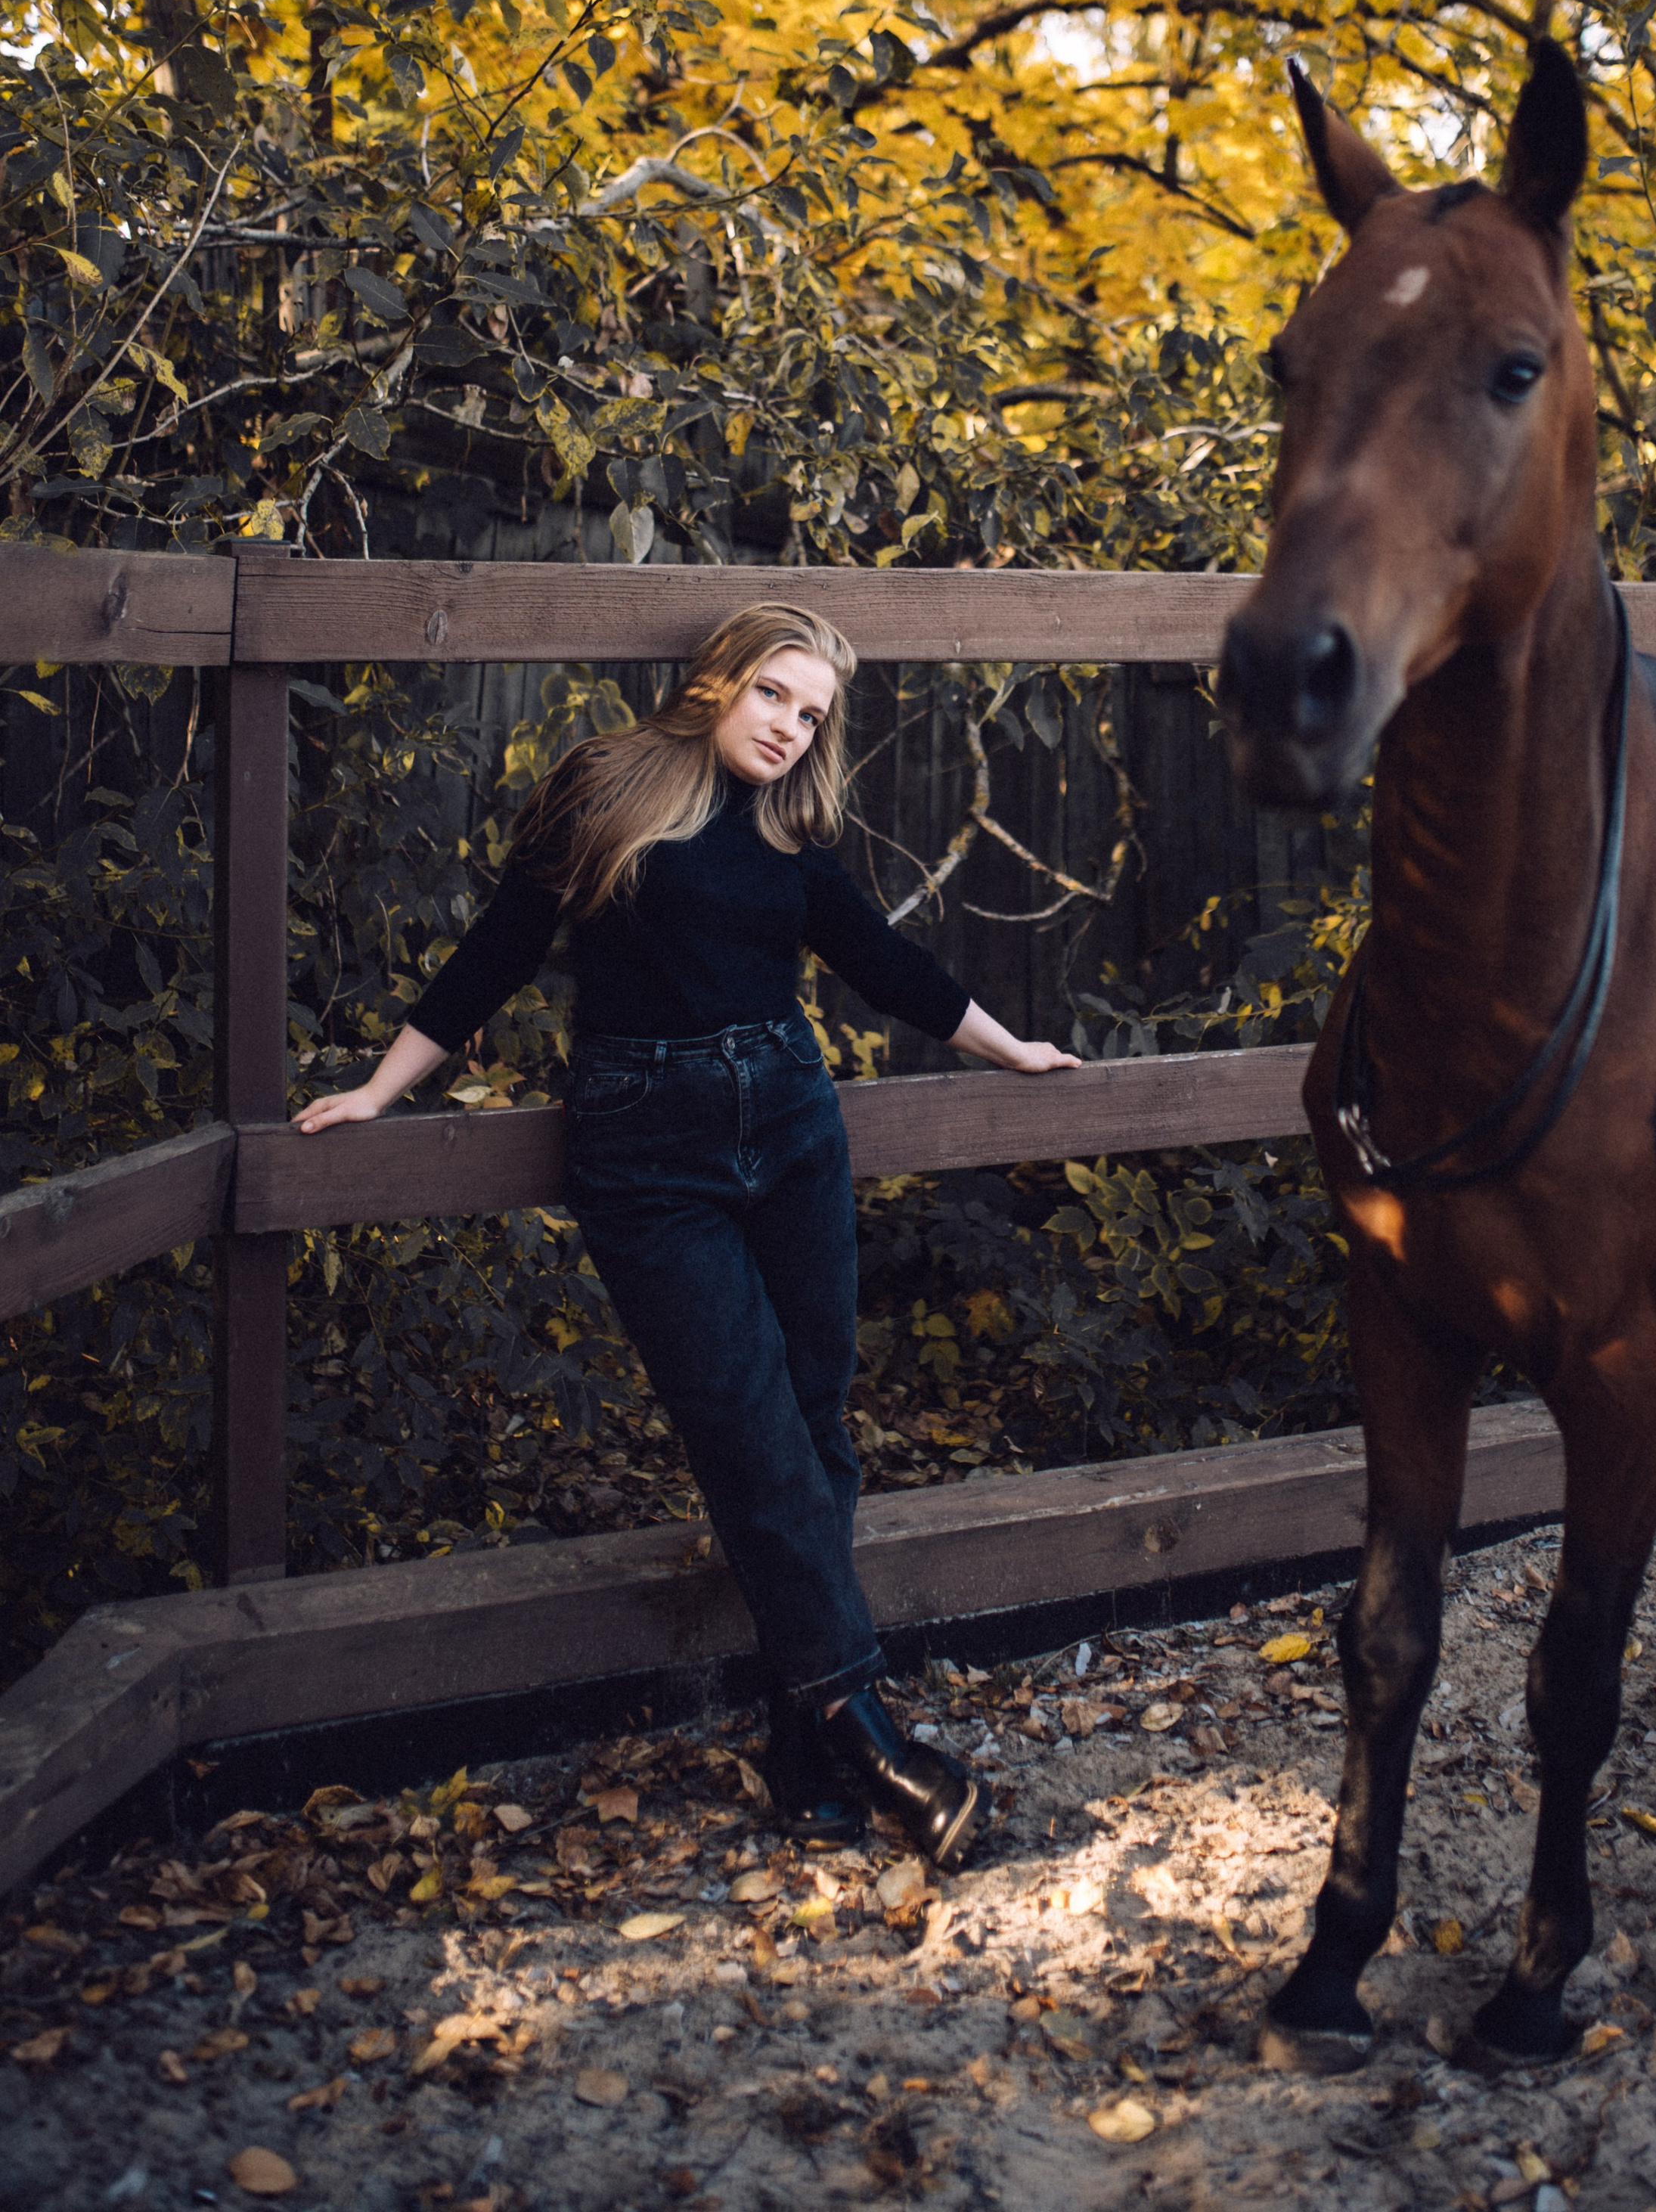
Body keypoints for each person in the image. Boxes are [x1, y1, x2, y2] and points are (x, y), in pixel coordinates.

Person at [296, 600, 1078, 1872]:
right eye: (776, 694)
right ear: (720, 679)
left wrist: (1012, 1048)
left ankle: (806, 1748)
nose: (790, 728)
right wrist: (383, 1090)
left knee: (815, 1424)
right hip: (645, 1147)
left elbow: (885, 964)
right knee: (748, 1429)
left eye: (812, 715)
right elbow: (500, 945)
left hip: (790, 1119)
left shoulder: (789, 830)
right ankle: (877, 1738)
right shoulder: (603, 788)